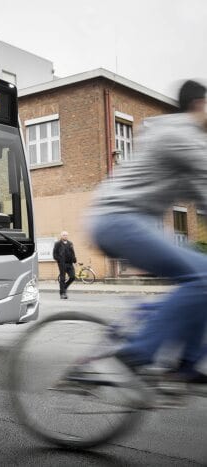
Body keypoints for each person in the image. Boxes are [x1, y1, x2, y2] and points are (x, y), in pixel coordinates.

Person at [88, 79, 207, 383]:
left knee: (203, 273)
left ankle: (188, 364)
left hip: (131, 221)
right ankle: (137, 353)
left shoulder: (185, 138)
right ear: (200, 104)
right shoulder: (180, 134)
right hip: (117, 219)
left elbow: (202, 196)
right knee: (203, 279)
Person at [53, 231, 77, 299]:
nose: (65, 236)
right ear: (61, 236)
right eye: (64, 235)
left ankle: (64, 287)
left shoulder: (70, 243)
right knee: (62, 278)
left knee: (72, 277)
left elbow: (73, 252)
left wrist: (74, 260)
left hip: (70, 263)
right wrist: (59, 260)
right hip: (62, 263)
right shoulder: (57, 243)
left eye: (66, 235)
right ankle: (62, 293)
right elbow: (54, 254)